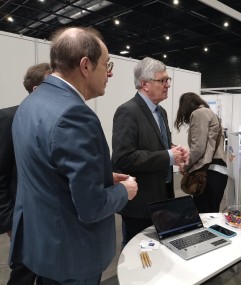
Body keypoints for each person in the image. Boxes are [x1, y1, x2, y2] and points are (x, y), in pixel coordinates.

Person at [10, 27, 138, 285]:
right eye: (106, 64)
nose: (110, 72)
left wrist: (101, 176)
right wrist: (125, 190)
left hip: (43, 245)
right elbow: (91, 207)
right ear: (85, 65)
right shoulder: (74, 115)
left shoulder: (30, 103)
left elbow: (49, 171)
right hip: (72, 255)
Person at [112, 57, 189, 247]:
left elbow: (158, 144)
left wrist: (174, 149)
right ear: (145, 84)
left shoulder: (160, 112)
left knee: (159, 253)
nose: (167, 85)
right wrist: (168, 156)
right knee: (136, 253)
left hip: (163, 197)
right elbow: (124, 158)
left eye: (167, 80)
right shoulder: (127, 111)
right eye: (162, 80)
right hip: (139, 202)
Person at [0, 62, 51, 285]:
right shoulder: (8, 118)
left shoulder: (54, 121)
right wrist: (9, 222)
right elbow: (1, 174)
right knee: (24, 274)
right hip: (23, 219)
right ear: (36, 90)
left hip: (52, 217)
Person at [174, 92, 227, 213]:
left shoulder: (199, 113)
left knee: (204, 217)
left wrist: (185, 166)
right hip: (217, 172)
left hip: (208, 174)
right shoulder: (210, 113)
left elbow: (198, 149)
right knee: (211, 215)